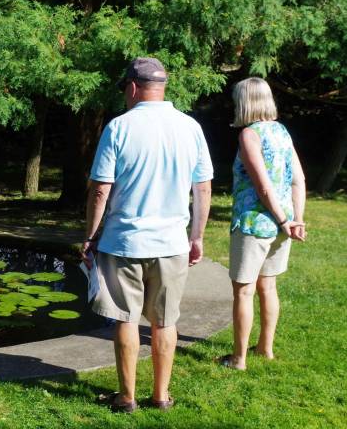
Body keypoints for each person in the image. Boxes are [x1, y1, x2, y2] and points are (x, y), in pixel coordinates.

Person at [83, 57, 213, 413]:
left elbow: (99, 191)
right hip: (172, 243)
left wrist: (91, 236)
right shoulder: (190, 127)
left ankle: (126, 398)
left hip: (124, 242)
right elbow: (202, 188)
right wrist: (196, 237)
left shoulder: (119, 128)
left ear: (132, 87)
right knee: (165, 320)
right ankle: (160, 396)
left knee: (126, 318)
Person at [220, 77, 306, 370]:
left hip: (254, 225)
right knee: (268, 287)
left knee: (244, 291)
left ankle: (239, 358)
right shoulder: (282, 132)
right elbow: (299, 180)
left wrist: (286, 220)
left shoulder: (249, 135)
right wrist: (295, 219)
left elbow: (263, 186)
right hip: (282, 225)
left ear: (244, 102)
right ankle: (265, 349)